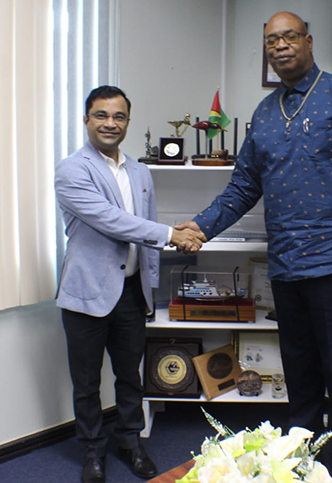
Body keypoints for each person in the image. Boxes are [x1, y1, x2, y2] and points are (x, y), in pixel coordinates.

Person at [177, 12, 332, 481]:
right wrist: (201, 226)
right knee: (300, 373)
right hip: (287, 265)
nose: (280, 46)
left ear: (308, 42)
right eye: (271, 40)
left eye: (289, 36)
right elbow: (242, 187)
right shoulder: (265, 113)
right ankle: (298, 461)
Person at [55, 85, 207, 483]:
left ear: (127, 121)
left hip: (130, 293)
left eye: (118, 116)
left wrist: (150, 290)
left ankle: (130, 443)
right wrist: (171, 233)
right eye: (101, 115)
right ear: (86, 120)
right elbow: (110, 220)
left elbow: (147, 240)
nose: (110, 123)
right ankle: (92, 451)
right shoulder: (72, 170)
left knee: (130, 377)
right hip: (86, 294)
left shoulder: (140, 171)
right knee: (86, 383)